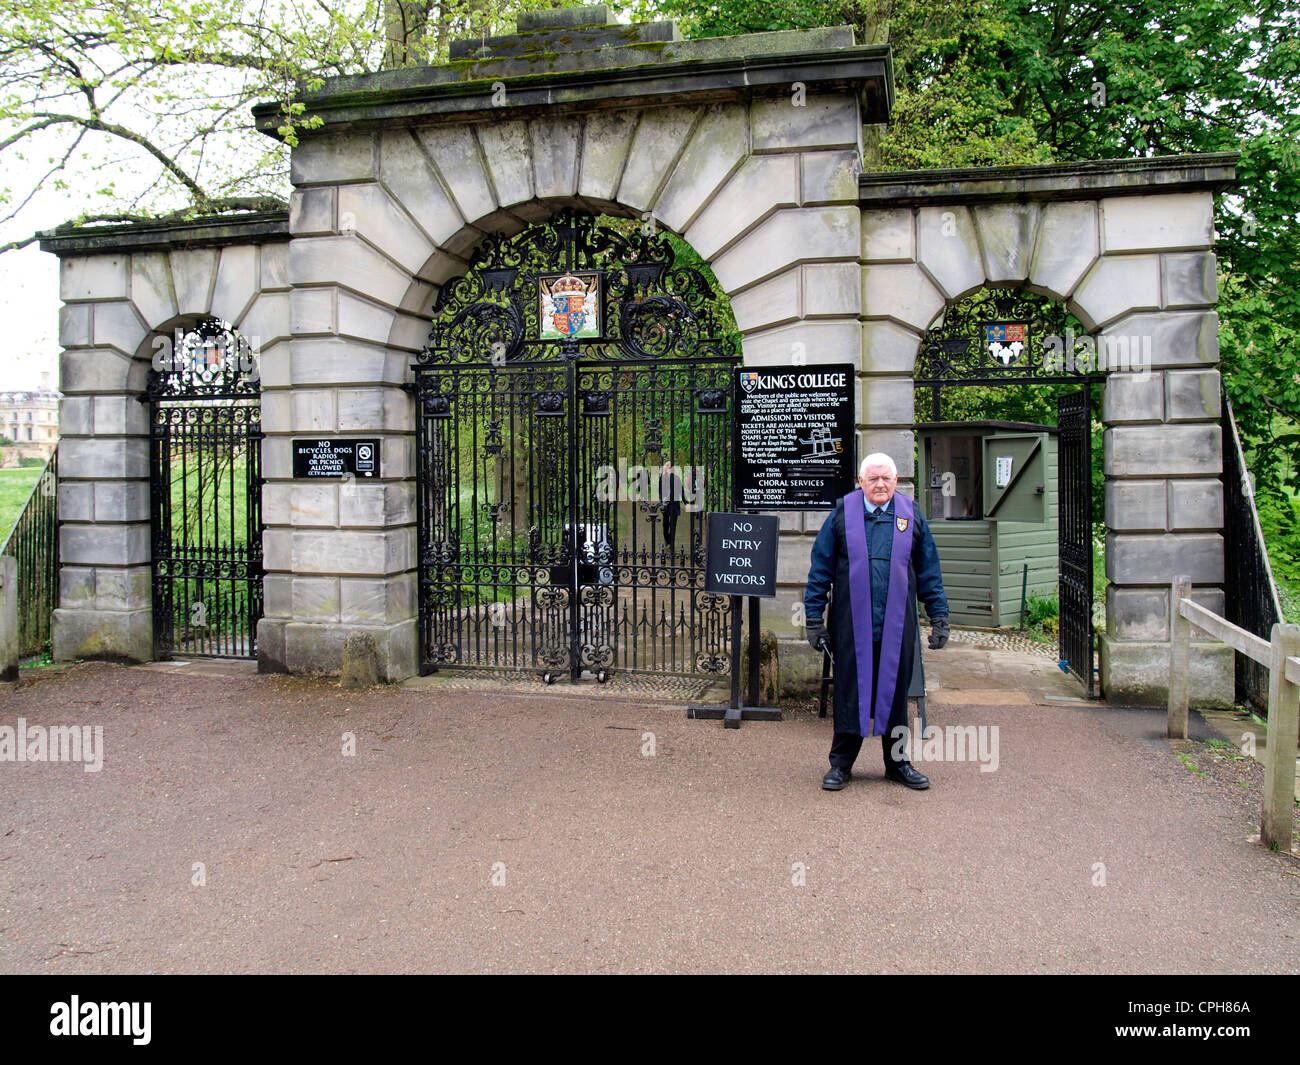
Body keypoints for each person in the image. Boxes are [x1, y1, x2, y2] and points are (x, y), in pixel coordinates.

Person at [804, 453, 951, 791]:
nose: (880, 484)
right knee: (849, 695)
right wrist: (813, 617)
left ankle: (898, 764)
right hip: (851, 628)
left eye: (886, 478)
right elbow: (820, 569)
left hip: (897, 628)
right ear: (861, 481)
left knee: (897, 696)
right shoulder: (843, 513)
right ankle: (841, 765)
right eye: (873, 479)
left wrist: (939, 615)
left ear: (896, 481)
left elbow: (929, 571)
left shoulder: (911, 515)